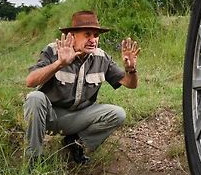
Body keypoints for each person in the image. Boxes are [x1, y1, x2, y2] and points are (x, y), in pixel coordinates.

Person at [24, 10, 140, 165]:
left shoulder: (101, 57)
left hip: (80, 116)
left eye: (96, 35)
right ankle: (34, 159)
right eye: (87, 34)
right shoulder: (54, 50)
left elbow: (130, 84)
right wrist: (59, 64)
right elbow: (30, 81)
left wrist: (130, 69)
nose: (93, 40)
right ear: (72, 35)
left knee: (118, 113)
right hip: (50, 116)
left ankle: (74, 145)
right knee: (35, 98)